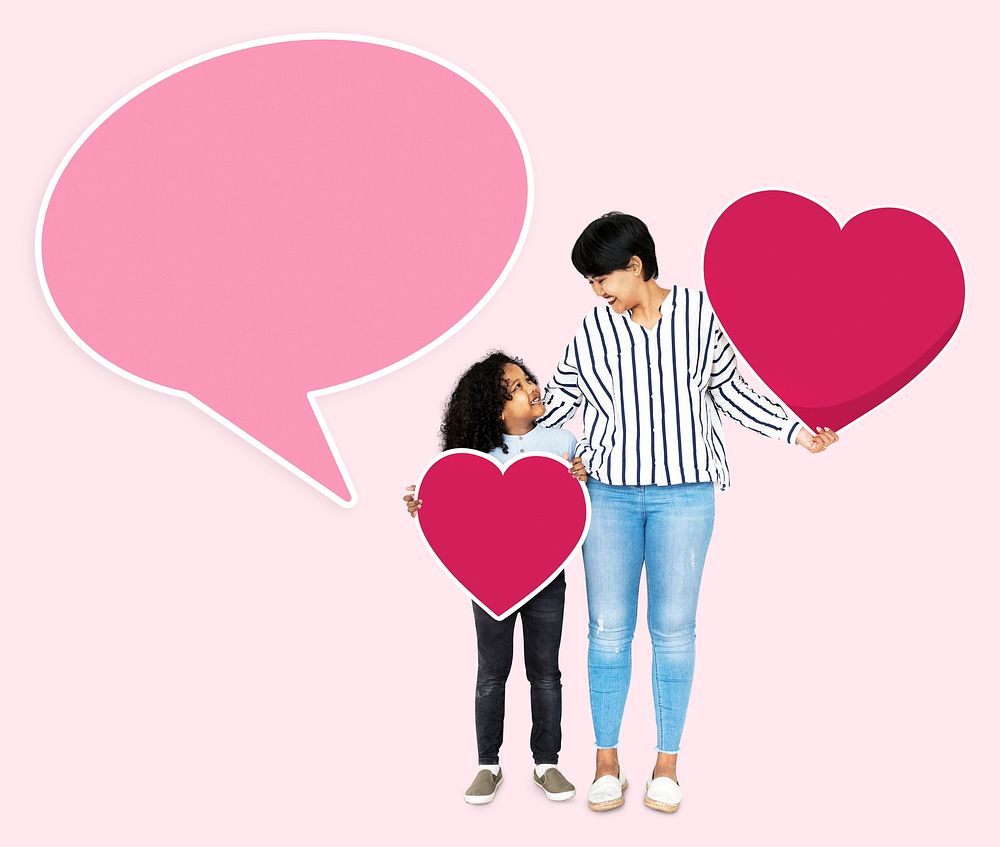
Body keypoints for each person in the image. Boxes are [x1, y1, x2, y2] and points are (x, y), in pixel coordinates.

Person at [535, 212, 839, 813]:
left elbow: (732, 391)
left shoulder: (702, 314)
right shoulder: (591, 331)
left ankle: (667, 765)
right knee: (606, 631)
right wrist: (492, 454)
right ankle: (606, 761)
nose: (598, 293)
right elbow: (558, 404)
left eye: (603, 280)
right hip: (609, 495)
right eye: (590, 285)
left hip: (686, 495)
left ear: (635, 267)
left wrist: (795, 433)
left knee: (674, 632)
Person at [403, 352, 588, 805]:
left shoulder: (562, 442)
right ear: (496, 408)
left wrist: (582, 475)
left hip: (547, 579)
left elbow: (580, 504)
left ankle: (547, 763)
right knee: (492, 673)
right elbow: (453, 509)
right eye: (517, 388)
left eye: (528, 380)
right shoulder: (471, 458)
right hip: (489, 581)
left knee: (545, 672)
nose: (532, 388)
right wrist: (423, 502)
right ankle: (488, 764)